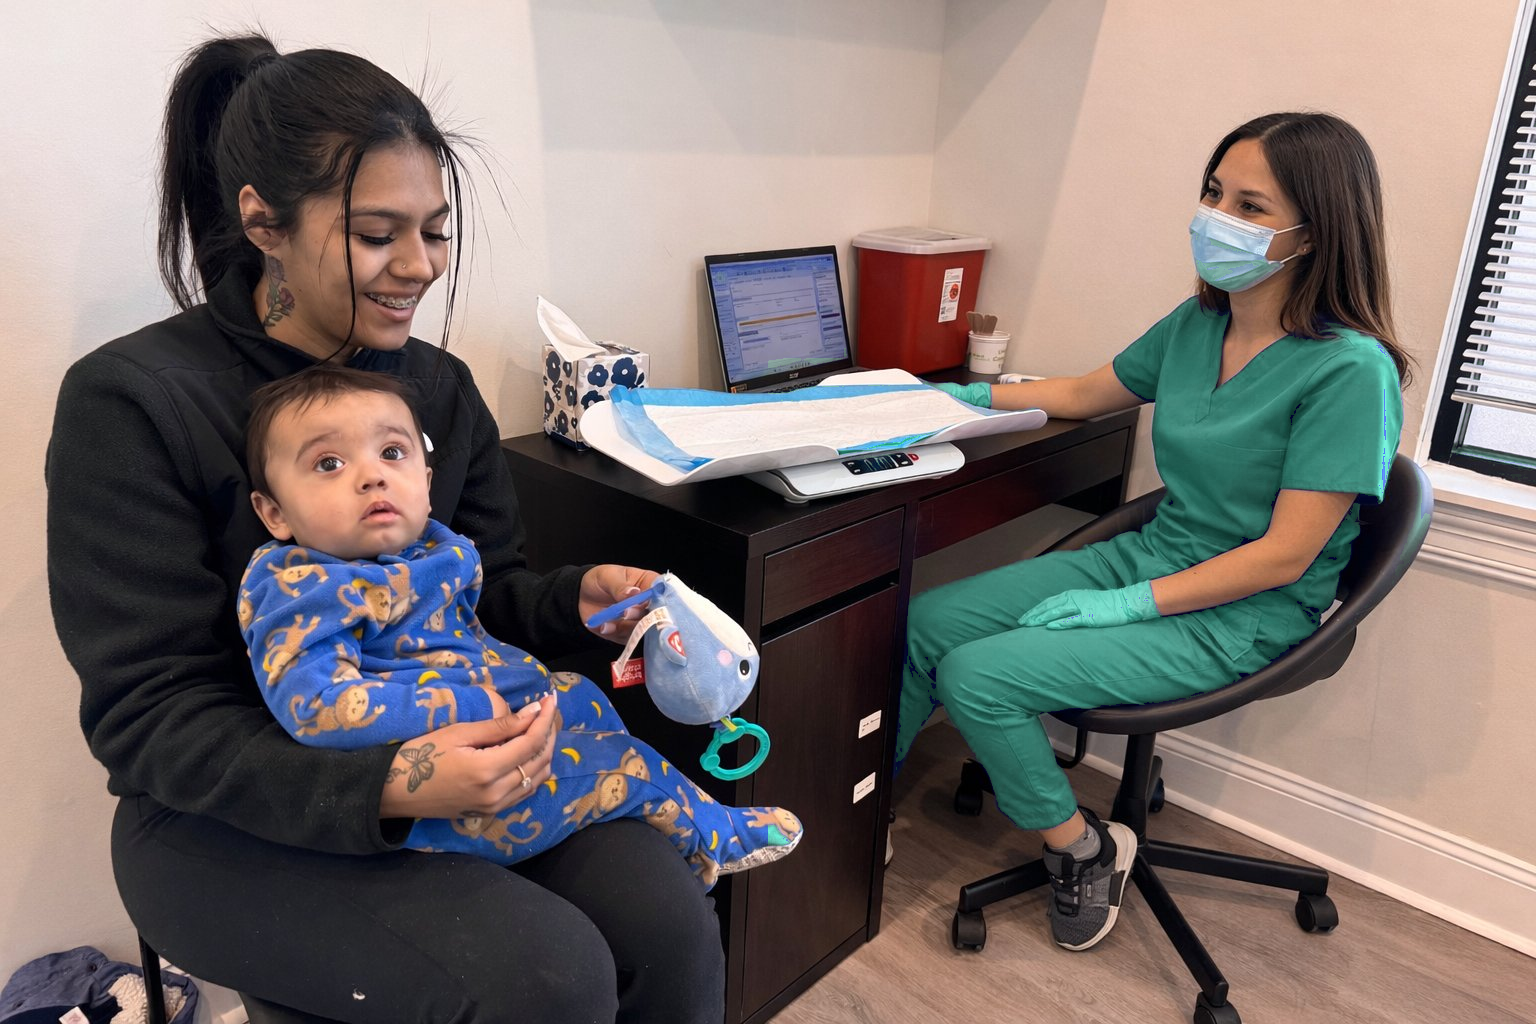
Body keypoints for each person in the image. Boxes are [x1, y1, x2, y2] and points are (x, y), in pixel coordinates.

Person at [47, 33, 726, 1022]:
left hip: (456, 754)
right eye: (378, 234)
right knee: (548, 976)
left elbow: (487, 593)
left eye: (435, 232)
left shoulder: (437, 389)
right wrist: (391, 783)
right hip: (215, 813)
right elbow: (151, 717)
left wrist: (572, 600)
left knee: (668, 923)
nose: (419, 267)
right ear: (263, 222)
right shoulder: (135, 403)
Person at [911, 111, 1410, 953]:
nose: (1217, 219)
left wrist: (1129, 605)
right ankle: (854, 815)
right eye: (1214, 193)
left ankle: (1083, 849)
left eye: (1250, 207)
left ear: (1315, 233)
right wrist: (951, 401)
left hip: (1244, 609)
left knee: (978, 676)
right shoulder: (1199, 324)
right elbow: (1081, 394)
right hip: (1152, 554)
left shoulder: (1349, 370)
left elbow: (1286, 555)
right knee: (927, 620)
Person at [239, 364, 801, 885]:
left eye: (392, 452)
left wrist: (573, 603)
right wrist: (473, 707)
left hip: (505, 716)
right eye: (329, 464)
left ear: (427, 483)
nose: (372, 477)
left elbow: (488, 613)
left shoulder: (430, 547)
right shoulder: (301, 588)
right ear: (275, 514)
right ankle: (713, 835)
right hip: (443, 794)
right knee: (630, 767)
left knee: (581, 693)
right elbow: (319, 706)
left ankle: (648, 819)